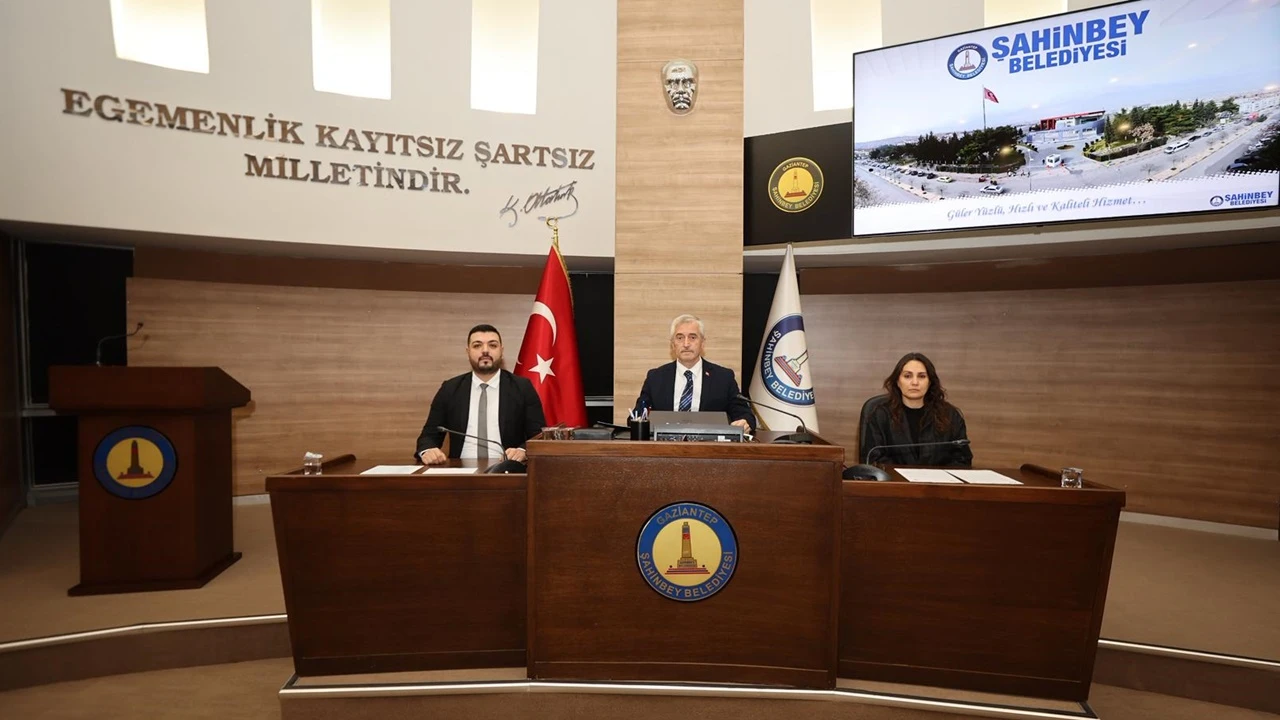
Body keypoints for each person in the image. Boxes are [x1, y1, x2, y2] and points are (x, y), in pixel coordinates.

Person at [415, 324, 546, 465]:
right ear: (468, 352)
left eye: (492, 345)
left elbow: (539, 436)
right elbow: (428, 436)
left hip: (507, 469)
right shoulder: (450, 389)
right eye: (477, 346)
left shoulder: (522, 387)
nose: (485, 351)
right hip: (460, 470)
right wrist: (428, 450)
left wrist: (523, 450)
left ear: (501, 351)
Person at [634, 314, 754, 432]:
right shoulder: (656, 378)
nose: (686, 344)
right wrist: (639, 420)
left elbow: (744, 414)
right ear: (672, 344)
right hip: (664, 443)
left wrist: (745, 422)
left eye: (692, 337)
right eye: (680, 338)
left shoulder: (723, 378)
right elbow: (636, 416)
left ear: (702, 343)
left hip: (709, 443)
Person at [861, 352, 972, 466]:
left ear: (930, 382)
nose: (915, 382)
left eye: (921, 376)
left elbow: (962, 460)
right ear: (897, 381)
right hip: (893, 477)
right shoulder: (881, 415)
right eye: (907, 376)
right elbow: (874, 459)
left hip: (938, 478)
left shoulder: (950, 416)